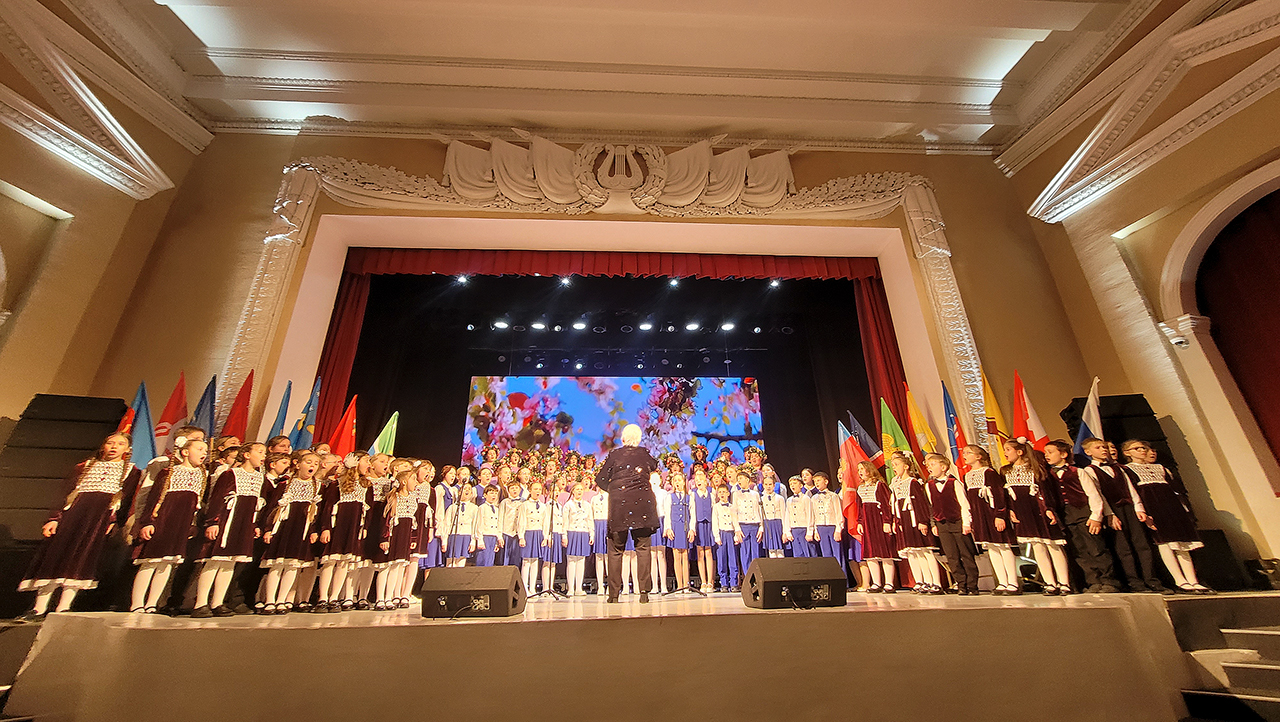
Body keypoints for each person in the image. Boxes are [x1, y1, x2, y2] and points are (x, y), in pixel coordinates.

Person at [18, 432, 143, 621]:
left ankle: (63, 607)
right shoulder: (83, 467)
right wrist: (54, 518)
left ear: (127, 449)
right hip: (72, 518)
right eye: (110, 443)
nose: (114, 447)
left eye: (120, 444)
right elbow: (63, 494)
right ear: (103, 446)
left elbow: (125, 502)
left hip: (98, 522)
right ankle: (39, 607)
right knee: (55, 557)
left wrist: (114, 522)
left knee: (81, 560)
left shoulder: (132, 472)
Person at [130, 438, 209, 613]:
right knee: (150, 562)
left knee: (166, 564)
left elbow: (196, 504)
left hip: (181, 526)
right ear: (185, 452)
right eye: (199, 449)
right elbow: (153, 500)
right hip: (162, 523)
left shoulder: (202, 475)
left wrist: (193, 524)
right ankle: (137, 603)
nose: (204, 453)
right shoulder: (168, 473)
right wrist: (147, 522)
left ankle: (152, 603)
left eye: (205, 450)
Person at [1121, 440, 1211, 594]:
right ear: (1127, 453)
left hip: (1171, 506)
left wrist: (1183, 508)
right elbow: (1132, 492)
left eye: (1143, 448)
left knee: (1182, 543)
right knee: (1165, 543)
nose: (1142, 450)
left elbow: (1175, 489)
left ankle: (1193, 580)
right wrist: (1141, 510)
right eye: (1137, 448)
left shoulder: (1161, 468)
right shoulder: (1127, 470)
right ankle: (1180, 580)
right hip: (1152, 507)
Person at [192, 441, 267, 618]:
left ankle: (218, 602)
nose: (263, 456)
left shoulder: (259, 477)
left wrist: (254, 525)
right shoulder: (230, 474)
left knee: (230, 563)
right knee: (214, 561)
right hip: (226, 522)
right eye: (260, 452)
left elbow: (256, 505)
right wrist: (213, 522)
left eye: (264, 453)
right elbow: (217, 499)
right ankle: (200, 603)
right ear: (246, 455)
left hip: (243, 524)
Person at [1080, 438, 1162, 592]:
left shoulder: (1118, 468)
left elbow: (1130, 489)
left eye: (1104, 447)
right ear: (1088, 452)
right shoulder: (1089, 471)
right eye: (1098, 448)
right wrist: (1109, 514)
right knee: (1123, 548)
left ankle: (1152, 580)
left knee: (1142, 545)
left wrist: (1139, 508)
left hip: (1129, 508)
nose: (1103, 450)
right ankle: (1134, 582)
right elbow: (1098, 494)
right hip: (1113, 510)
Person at [593, 424, 661, 603]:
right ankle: (644, 593)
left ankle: (613, 595)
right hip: (642, 505)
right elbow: (654, 466)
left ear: (623, 439)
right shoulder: (644, 454)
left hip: (620, 506)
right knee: (643, 548)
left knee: (616, 550)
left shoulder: (615, 455)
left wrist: (615, 490)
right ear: (639, 439)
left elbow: (600, 478)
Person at [1043, 440, 1118, 593]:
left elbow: (1093, 494)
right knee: (1079, 551)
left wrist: (1096, 516)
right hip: (1066, 517)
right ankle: (1092, 581)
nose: (1046, 456)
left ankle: (1109, 581)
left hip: (1084, 514)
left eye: (1050, 452)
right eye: (1045, 453)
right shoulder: (1047, 476)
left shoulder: (1078, 472)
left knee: (1096, 548)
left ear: (1063, 454)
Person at [1002, 440, 1071, 596]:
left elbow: (1047, 492)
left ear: (1020, 452)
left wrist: (1049, 508)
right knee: (1037, 547)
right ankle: (1050, 583)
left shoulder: (1036, 470)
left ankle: (1064, 583)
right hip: (1023, 513)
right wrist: (1011, 510)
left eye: (1008, 449)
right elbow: (1008, 495)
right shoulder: (1007, 472)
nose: (1005, 453)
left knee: (1053, 546)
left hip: (1040, 511)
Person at [259, 452, 322, 613]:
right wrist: (268, 530)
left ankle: (282, 600)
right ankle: (270, 600)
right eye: (309, 462)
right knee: (277, 565)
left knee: (293, 566)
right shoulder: (285, 484)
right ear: (297, 464)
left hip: (302, 530)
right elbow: (272, 508)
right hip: (283, 528)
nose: (312, 466)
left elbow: (318, 513)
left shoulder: (318, 486)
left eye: (316, 463)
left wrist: (314, 531)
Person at [960, 445, 1021, 595]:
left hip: (993, 515)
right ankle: (1002, 582)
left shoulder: (989, 473)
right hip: (980, 517)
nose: (964, 455)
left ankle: (1013, 582)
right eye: (964, 453)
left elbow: (999, 495)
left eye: (968, 452)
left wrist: (1000, 515)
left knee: (1003, 547)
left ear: (979, 456)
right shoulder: (967, 476)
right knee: (992, 548)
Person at [315, 453, 370, 612]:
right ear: (356, 463)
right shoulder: (337, 484)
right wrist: (325, 528)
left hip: (354, 528)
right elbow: (327, 508)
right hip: (337, 526)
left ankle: (334, 597)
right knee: (330, 561)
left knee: (344, 562)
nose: (369, 465)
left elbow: (368, 510)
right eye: (366, 461)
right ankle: (323, 598)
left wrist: (365, 528)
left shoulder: (367, 485)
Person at [887, 451, 941, 595]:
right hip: (903, 521)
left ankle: (935, 582)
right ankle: (920, 581)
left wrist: (923, 521)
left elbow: (921, 503)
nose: (894, 467)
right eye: (893, 465)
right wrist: (896, 521)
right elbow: (896, 505)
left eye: (896, 464)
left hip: (915, 520)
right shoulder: (896, 484)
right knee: (912, 552)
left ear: (906, 466)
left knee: (925, 551)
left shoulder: (913, 482)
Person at [925, 453, 979, 595]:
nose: (929, 467)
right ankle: (961, 584)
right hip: (942, 524)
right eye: (928, 465)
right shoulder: (929, 485)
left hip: (958, 523)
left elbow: (964, 504)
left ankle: (972, 585)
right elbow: (932, 506)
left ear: (943, 467)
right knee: (952, 556)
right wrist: (933, 524)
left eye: (933, 464)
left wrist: (966, 523)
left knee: (966, 554)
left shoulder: (954, 483)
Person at [854, 463, 895, 592]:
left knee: (885, 552)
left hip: (879, 520)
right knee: (870, 553)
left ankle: (889, 583)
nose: (860, 471)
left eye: (862, 469)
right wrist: (860, 522)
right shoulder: (860, 488)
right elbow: (860, 507)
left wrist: (887, 521)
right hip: (867, 523)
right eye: (858, 469)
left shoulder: (879, 485)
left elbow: (886, 504)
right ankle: (876, 582)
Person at [518, 480, 550, 594]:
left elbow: (545, 523)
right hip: (528, 533)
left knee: (535, 561)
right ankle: (524, 588)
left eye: (539, 489)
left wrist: (545, 537)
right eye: (535, 489)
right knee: (526, 561)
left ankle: (532, 587)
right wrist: (521, 536)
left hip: (538, 533)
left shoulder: (543, 506)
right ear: (530, 491)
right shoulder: (525, 505)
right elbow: (521, 521)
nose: (537, 491)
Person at [563, 482, 594, 596]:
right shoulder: (568, 505)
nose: (579, 491)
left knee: (581, 560)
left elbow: (590, 520)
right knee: (571, 560)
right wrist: (564, 536)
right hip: (572, 532)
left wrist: (591, 534)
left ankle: (579, 588)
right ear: (573, 491)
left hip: (583, 533)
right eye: (577, 489)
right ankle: (570, 588)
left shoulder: (587, 505)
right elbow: (565, 521)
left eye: (581, 489)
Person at [732, 470, 764, 578]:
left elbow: (759, 510)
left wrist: (761, 527)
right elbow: (734, 512)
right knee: (745, 552)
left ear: (747, 479)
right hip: (743, 526)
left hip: (754, 525)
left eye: (741, 478)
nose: (739, 481)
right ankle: (747, 576)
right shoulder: (736, 494)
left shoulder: (755, 494)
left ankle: (756, 577)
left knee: (755, 552)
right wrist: (737, 529)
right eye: (738, 479)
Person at [667, 474, 695, 592]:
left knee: (685, 556)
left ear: (684, 482)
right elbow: (667, 513)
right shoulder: (670, 497)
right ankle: (679, 585)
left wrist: (692, 529)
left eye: (679, 480)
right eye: (675, 481)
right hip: (675, 527)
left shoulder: (689, 497)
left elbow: (693, 514)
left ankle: (686, 584)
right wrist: (668, 528)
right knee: (677, 556)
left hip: (685, 527)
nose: (677, 482)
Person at [691, 467, 716, 593]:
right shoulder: (693, 494)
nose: (699, 482)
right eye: (697, 480)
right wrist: (693, 528)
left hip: (709, 524)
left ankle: (710, 581)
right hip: (699, 525)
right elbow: (692, 512)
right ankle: (703, 581)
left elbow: (714, 510)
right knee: (700, 553)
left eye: (701, 479)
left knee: (709, 552)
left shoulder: (711, 493)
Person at [442, 483, 480, 568]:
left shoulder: (474, 508)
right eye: (465, 488)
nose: (467, 490)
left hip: (466, 535)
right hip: (454, 536)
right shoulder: (452, 507)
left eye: (469, 489)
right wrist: (444, 541)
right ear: (459, 492)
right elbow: (446, 524)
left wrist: (473, 541)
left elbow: (475, 525)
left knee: (461, 563)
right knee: (450, 563)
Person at [712, 484, 739, 592]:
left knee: (733, 558)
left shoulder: (732, 507)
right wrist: (717, 536)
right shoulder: (716, 507)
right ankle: (724, 583)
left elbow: (736, 521)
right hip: (722, 533)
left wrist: (736, 534)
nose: (722, 494)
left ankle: (734, 583)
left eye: (724, 492)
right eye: (720, 492)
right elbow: (715, 522)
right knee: (722, 559)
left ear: (728, 493)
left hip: (731, 533)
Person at [783, 475, 815, 558]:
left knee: (809, 553)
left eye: (794, 483)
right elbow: (787, 516)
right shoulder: (789, 500)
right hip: (794, 530)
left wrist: (809, 532)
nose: (792, 486)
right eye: (791, 484)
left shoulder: (806, 498)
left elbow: (810, 515)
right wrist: (788, 532)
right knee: (798, 555)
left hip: (804, 529)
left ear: (801, 485)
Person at [475, 485, 503, 568]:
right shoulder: (482, 508)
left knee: (490, 562)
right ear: (485, 495)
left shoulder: (497, 509)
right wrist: (480, 540)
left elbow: (498, 525)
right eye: (491, 493)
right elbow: (479, 525)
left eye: (495, 493)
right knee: (482, 562)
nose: (494, 495)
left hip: (493, 538)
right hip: (485, 537)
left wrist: (497, 541)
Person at [590, 483, 610, 594]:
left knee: (608, 556)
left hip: (607, 525)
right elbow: (591, 516)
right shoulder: (594, 499)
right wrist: (592, 533)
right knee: (599, 556)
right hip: (597, 525)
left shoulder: (610, 497)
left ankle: (610, 585)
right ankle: (600, 585)